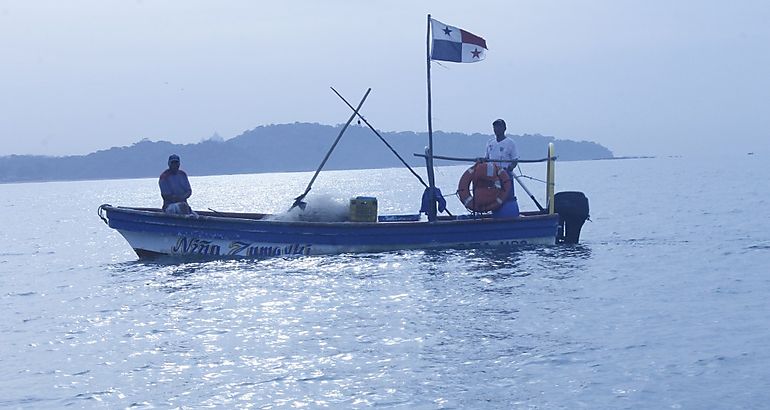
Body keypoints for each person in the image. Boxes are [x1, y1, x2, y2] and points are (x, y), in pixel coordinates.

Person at [484, 119, 520, 216]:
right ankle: (494, 213)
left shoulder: (510, 143)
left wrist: (510, 167)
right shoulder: (490, 143)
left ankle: (509, 214)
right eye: (495, 127)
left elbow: (515, 160)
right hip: (493, 175)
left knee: (507, 196)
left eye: (499, 127)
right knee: (494, 196)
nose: (497, 129)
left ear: (504, 128)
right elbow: (486, 158)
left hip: (505, 174)